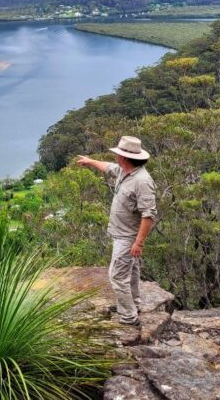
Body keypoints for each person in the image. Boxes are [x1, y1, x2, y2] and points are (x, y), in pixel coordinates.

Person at [77, 136, 157, 326]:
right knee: (133, 271)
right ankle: (135, 304)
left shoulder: (142, 181)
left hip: (128, 238)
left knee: (117, 276)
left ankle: (128, 317)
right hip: (121, 235)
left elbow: (149, 215)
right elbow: (107, 167)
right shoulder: (125, 171)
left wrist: (139, 242)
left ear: (125, 158)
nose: (116, 158)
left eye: (119, 154)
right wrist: (90, 161)